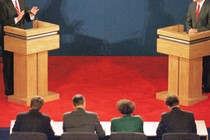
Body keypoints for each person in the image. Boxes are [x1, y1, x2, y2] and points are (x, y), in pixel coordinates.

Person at [0, 0, 39, 96]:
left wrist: (31, 15)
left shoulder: (22, 1)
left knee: (21, 64)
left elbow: (26, 18)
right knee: (9, 65)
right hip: (8, 37)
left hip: (21, 37)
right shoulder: (2, 3)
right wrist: (17, 19)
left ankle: (20, 88)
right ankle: (10, 91)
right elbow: (3, 22)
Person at [186, 0, 210, 93]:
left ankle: (207, 86)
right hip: (192, 40)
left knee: (207, 64)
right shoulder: (192, 5)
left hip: (206, 41)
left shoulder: (209, 6)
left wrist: (197, 30)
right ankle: (196, 84)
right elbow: (188, 20)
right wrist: (189, 29)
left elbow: (209, 26)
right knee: (195, 63)